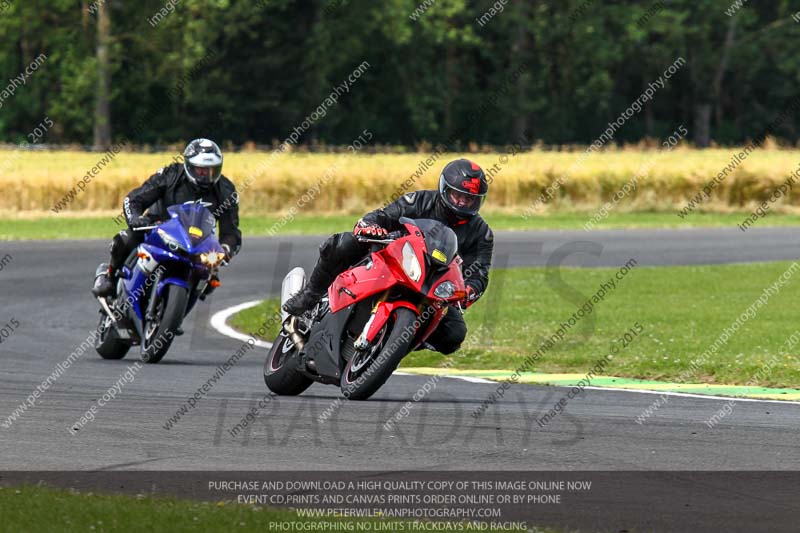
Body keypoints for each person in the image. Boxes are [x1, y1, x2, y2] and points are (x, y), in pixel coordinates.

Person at [283, 158, 493, 355]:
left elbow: (480, 272)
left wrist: (469, 290)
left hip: (432, 285)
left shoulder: (481, 233)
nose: (464, 203)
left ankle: (398, 340)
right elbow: (385, 215)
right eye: (459, 196)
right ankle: (310, 296)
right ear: (444, 190)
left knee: (454, 335)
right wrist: (371, 226)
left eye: (470, 199)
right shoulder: (421, 200)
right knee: (343, 243)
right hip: (396, 259)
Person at [92, 138, 242, 298]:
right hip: (158, 228)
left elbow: (231, 232)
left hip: (197, 244)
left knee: (210, 280)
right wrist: (136, 218)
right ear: (189, 165)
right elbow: (135, 199)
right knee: (125, 239)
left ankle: (174, 312)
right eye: (200, 170)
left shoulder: (226, 190)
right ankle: (109, 277)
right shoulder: (171, 175)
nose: (205, 175)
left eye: (211, 170)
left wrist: (225, 249)